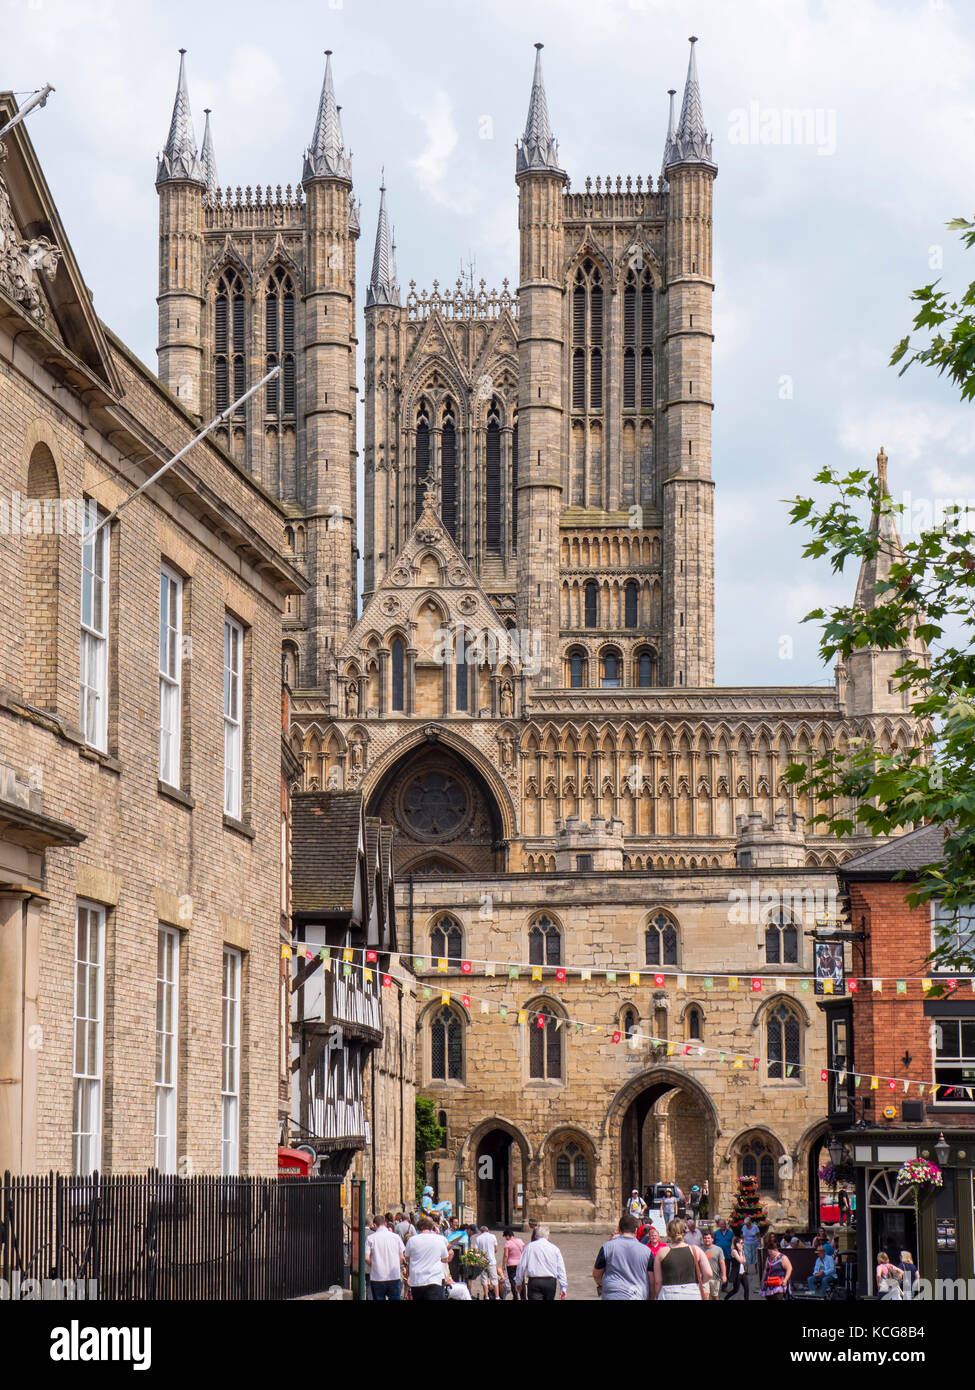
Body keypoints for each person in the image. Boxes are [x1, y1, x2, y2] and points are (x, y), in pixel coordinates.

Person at [593, 1214, 653, 1300]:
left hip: (613, 1294)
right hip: (637, 1294)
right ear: (636, 1230)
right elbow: (652, 1280)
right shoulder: (647, 1251)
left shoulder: (607, 1247)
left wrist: (603, 1284)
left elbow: (596, 1274)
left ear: (619, 1230)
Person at [653, 1218, 708, 1301]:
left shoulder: (661, 1252)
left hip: (668, 1293)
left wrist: (656, 1295)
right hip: (692, 1292)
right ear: (684, 1232)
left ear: (668, 1233)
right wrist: (699, 1284)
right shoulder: (696, 1250)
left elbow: (658, 1281)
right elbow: (708, 1273)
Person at [402, 1217, 452, 1301]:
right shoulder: (439, 1239)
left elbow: (407, 1258)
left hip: (417, 1280)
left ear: (418, 1228)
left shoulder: (412, 1240)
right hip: (434, 1279)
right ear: (431, 1227)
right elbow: (445, 1258)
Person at [514, 1224, 567, 1300]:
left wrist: (518, 1282)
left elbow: (521, 1266)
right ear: (548, 1236)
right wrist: (563, 1287)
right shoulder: (555, 1249)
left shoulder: (529, 1247)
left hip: (534, 1281)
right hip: (550, 1282)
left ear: (536, 1236)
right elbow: (561, 1268)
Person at [365, 1214, 406, 1301]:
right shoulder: (396, 1237)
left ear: (375, 1225)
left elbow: (366, 1258)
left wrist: (374, 1266)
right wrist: (396, 1266)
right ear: (385, 1224)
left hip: (377, 1277)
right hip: (394, 1275)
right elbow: (402, 1257)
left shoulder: (370, 1238)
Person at [761, 1234, 792, 1300]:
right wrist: (763, 1280)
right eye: (769, 1252)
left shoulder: (783, 1258)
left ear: (776, 1250)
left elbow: (789, 1268)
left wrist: (786, 1279)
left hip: (779, 1284)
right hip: (769, 1283)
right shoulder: (768, 1258)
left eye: (771, 1252)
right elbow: (765, 1270)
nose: (770, 1254)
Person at [474, 1224, 500, 1300]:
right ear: (488, 1230)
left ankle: (486, 1296)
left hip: (483, 1261)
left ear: (481, 1231)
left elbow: (476, 1251)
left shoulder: (478, 1238)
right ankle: (497, 1296)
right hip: (492, 1261)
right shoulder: (493, 1237)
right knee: (494, 1279)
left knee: (484, 1279)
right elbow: (496, 1249)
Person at [723, 1235, 750, 1301]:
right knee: (736, 1290)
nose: (742, 1244)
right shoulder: (734, 1251)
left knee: (747, 1288)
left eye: (743, 1243)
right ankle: (726, 1298)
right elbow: (740, 1260)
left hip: (742, 1272)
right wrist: (740, 1252)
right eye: (741, 1243)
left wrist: (742, 1252)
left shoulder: (741, 1250)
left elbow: (744, 1261)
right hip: (737, 1273)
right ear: (737, 1244)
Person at [702, 1231, 726, 1302]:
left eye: (708, 1238)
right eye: (705, 1238)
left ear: (712, 1239)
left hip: (715, 1277)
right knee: (705, 1297)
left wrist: (724, 1275)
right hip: (704, 1278)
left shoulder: (718, 1249)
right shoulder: (700, 1250)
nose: (707, 1240)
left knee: (714, 1297)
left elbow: (722, 1263)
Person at [503, 1227, 526, 1301]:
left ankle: (515, 1297)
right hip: (520, 1264)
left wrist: (503, 1265)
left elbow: (506, 1255)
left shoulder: (507, 1243)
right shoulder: (520, 1241)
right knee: (521, 1280)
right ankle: (523, 1297)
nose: (506, 1238)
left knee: (513, 1281)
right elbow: (524, 1252)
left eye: (505, 1237)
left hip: (511, 1264)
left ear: (508, 1236)